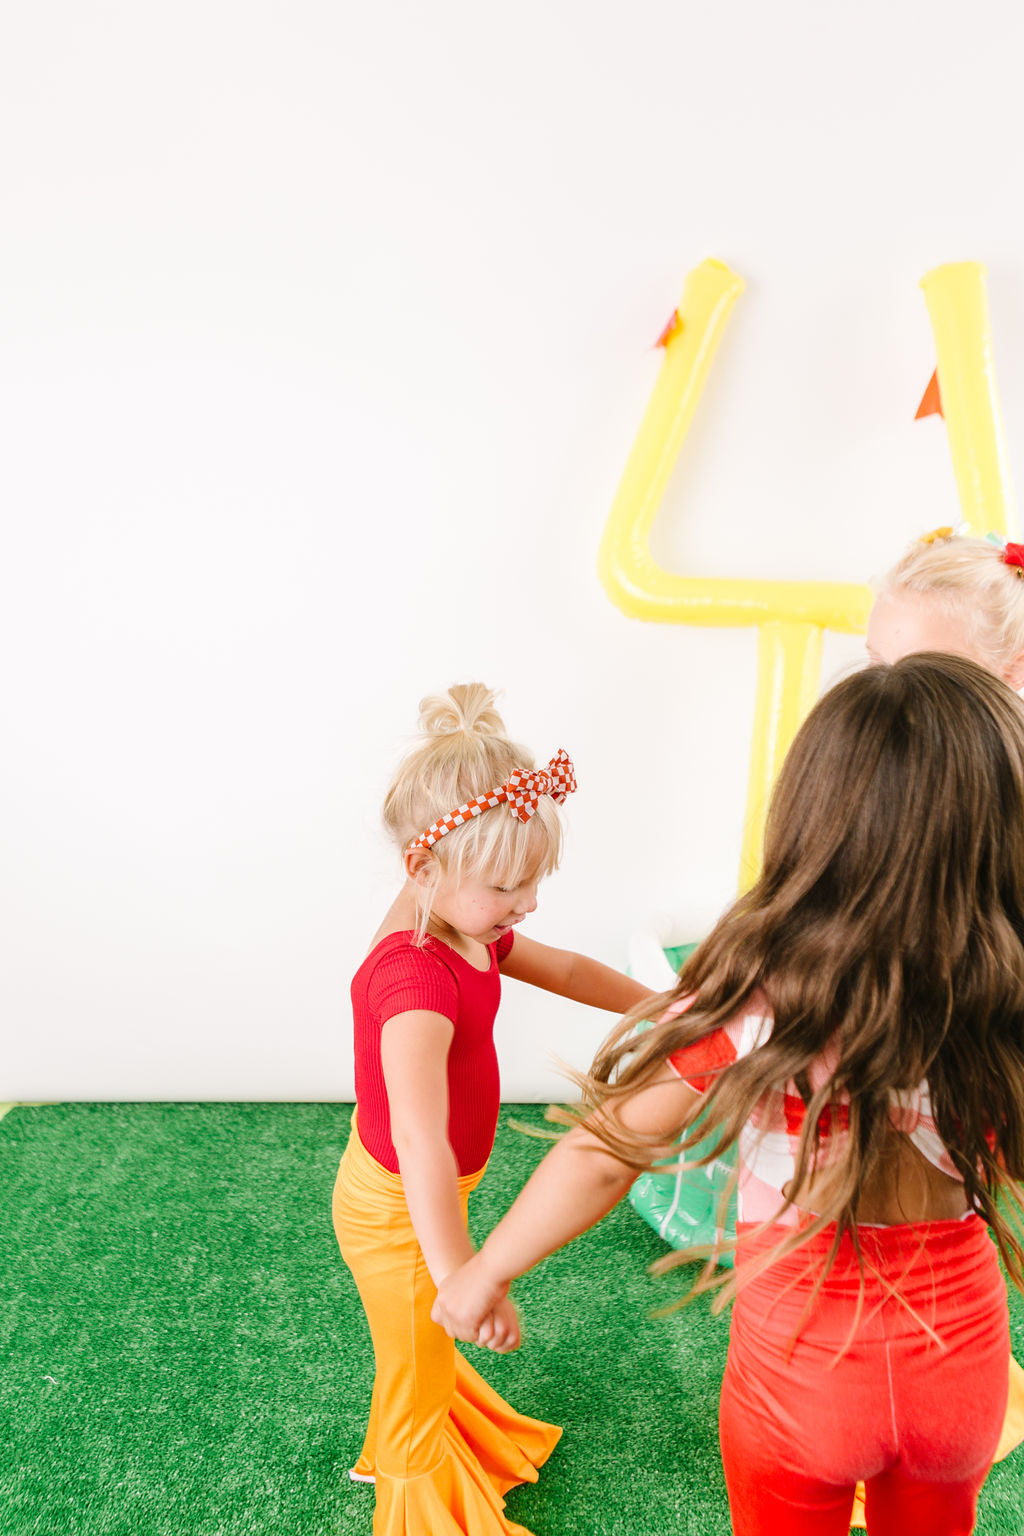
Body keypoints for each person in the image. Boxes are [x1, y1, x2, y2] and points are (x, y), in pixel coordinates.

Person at [433, 655, 1024, 1536]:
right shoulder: (1002, 1004)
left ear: (813, 822)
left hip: (804, 1379)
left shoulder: (759, 1000)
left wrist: (486, 1270)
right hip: (962, 1377)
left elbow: (601, 1152)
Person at [333, 682, 653, 1536]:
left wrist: (663, 1004)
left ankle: (404, 1443)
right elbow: (420, 1139)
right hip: (404, 1212)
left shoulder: (465, 923)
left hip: (431, 1197)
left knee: (417, 1360)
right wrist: (458, 1277)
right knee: (415, 1372)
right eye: (511, 886)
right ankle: (407, 1487)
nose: (529, 903)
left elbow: (573, 970)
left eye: (535, 880)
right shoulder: (413, 982)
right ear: (423, 870)